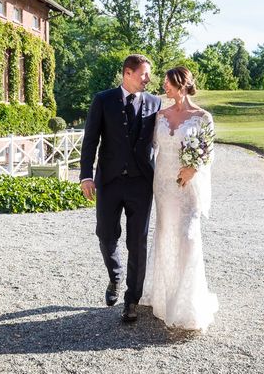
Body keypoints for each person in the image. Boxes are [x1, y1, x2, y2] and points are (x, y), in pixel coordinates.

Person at [80, 54, 162, 323]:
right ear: (128, 73)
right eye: (144, 74)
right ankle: (115, 276)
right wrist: (85, 176)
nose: (148, 79)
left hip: (141, 183)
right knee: (106, 234)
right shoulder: (103, 100)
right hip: (109, 181)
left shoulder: (154, 102)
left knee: (137, 241)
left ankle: (132, 300)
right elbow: (90, 140)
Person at [140, 66, 218, 331]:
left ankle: (187, 301)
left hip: (186, 187)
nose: (164, 86)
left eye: (168, 82)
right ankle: (164, 298)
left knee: (187, 237)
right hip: (162, 185)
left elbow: (207, 152)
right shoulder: (159, 115)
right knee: (165, 235)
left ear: (182, 84)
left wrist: (193, 168)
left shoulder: (202, 117)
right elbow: (149, 147)